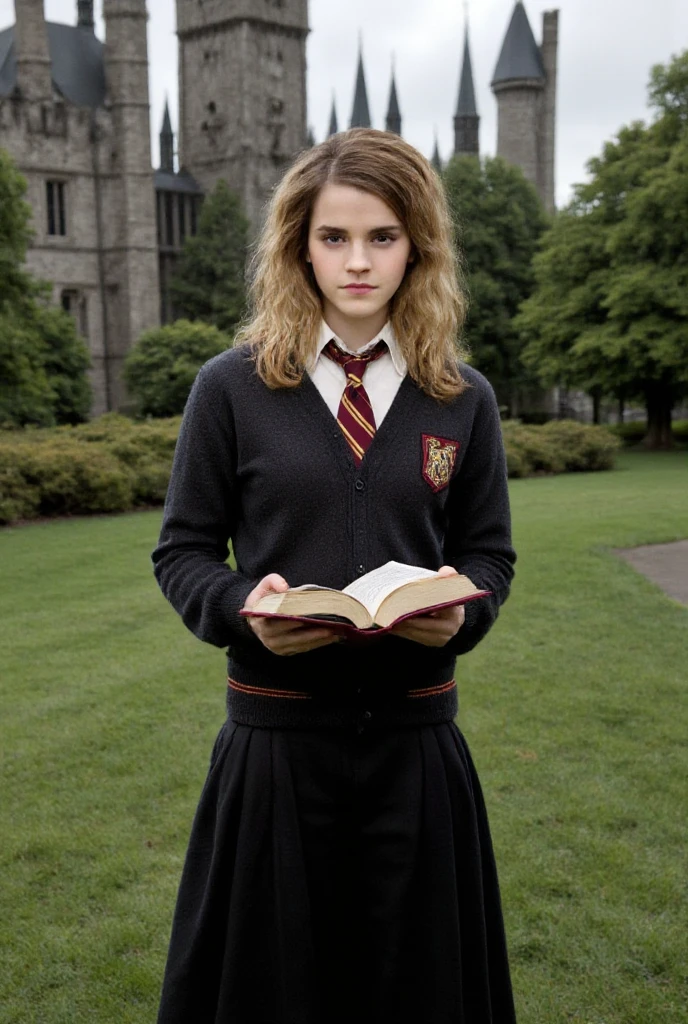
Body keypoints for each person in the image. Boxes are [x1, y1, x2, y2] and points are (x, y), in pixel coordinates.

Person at [152, 127, 517, 1024]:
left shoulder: (460, 396)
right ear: (298, 246)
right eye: (334, 238)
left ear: (417, 247)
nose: (358, 261)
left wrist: (460, 616)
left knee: (418, 991)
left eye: (382, 237)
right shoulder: (230, 387)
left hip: (416, 746)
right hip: (276, 747)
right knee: (274, 993)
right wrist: (244, 604)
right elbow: (183, 550)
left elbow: (489, 556)